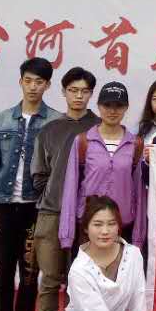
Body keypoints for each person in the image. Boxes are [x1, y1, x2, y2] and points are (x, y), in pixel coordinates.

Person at [0, 57, 61, 311]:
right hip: (3, 205)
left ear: (47, 85)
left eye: (39, 82)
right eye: (28, 81)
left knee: (29, 272)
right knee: (3, 271)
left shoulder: (55, 122)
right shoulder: (2, 120)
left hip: (34, 207)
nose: (33, 87)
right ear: (20, 82)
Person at [30, 65, 98, 311]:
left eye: (84, 91)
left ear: (91, 94)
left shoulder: (99, 127)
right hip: (52, 212)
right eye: (73, 90)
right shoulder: (50, 129)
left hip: (88, 217)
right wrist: (56, 193)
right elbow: (39, 174)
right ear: (63, 92)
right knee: (49, 277)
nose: (78, 96)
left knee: (81, 280)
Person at [58, 82, 148, 253]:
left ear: (126, 108)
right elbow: (70, 188)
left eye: (118, 106)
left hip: (122, 227)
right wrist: (67, 235)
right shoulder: (83, 141)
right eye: (107, 105)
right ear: (98, 106)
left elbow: (139, 193)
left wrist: (138, 238)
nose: (112, 111)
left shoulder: (136, 144)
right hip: (88, 227)